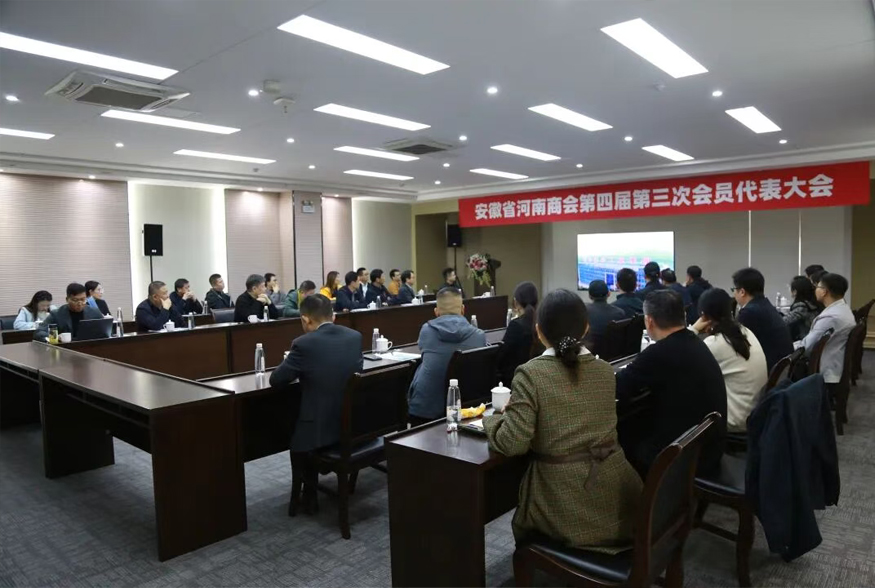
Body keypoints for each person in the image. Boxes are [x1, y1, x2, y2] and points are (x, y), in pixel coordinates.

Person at [483, 288, 642, 552]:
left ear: (538, 331)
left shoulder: (531, 373)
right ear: (586, 327)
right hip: (619, 498)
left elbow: (512, 443)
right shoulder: (605, 371)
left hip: (564, 504)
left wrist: (493, 419)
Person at [615, 290, 727, 477]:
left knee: (626, 436)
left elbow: (618, 386)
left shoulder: (659, 352)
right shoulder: (696, 342)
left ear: (649, 321)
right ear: (683, 316)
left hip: (687, 458)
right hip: (708, 447)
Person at [269, 294, 363, 509]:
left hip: (318, 430)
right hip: (351, 424)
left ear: (305, 319)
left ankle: (309, 495)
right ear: (334, 316)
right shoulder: (354, 337)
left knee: (293, 422)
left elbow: (277, 380)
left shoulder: (303, 344)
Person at [691, 288, 768, 432]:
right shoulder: (745, 331)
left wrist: (694, 329)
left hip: (735, 420)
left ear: (704, 317)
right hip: (754, 413)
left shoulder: (715, 343)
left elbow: (680, 356)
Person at [408, 287, 486, 425]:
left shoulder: (427, 330)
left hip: (426, 408)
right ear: (463, 310)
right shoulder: (479, 336)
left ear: (436, 312)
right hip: (467, 407)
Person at [798, 273, 856, 387]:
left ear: (824, 292)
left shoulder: (830, 318)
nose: (815, 290)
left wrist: (788, 346)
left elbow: (807, 347)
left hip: (824, 371)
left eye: (817, 287)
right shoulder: (842, 309)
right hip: (834, 363)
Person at [733, 267, 793, 371]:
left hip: (767, 371)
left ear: (742, 292)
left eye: (733, 290)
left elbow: (735, 347)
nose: (733, 294)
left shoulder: (748, 313)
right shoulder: (765, 305)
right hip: (781, 370)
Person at [497, 281, 539, 385]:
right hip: (537, 379)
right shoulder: (541, 323)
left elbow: (501, 357)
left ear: (516, 303)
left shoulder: (515, 325)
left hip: (515, 381)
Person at [34, 283, 104, 341]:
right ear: (67, 299)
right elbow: (39, 332)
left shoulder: (94, 312)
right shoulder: (57, 314)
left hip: (89, 347)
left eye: (83, 299)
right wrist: (55, 337)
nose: (80, 303)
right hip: (65, 349)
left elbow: (104, 331)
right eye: (75, 300)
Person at [584, 279, 625, 358]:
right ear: (609, 293)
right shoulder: (620, 313)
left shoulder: (583, 312)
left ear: (589, 296)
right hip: (614, 357)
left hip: (590, 356)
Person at [783, 275, 822, 340]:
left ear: (795, 292)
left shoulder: (801, 306)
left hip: (804, 340)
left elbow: (784, 321)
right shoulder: (813, 303)